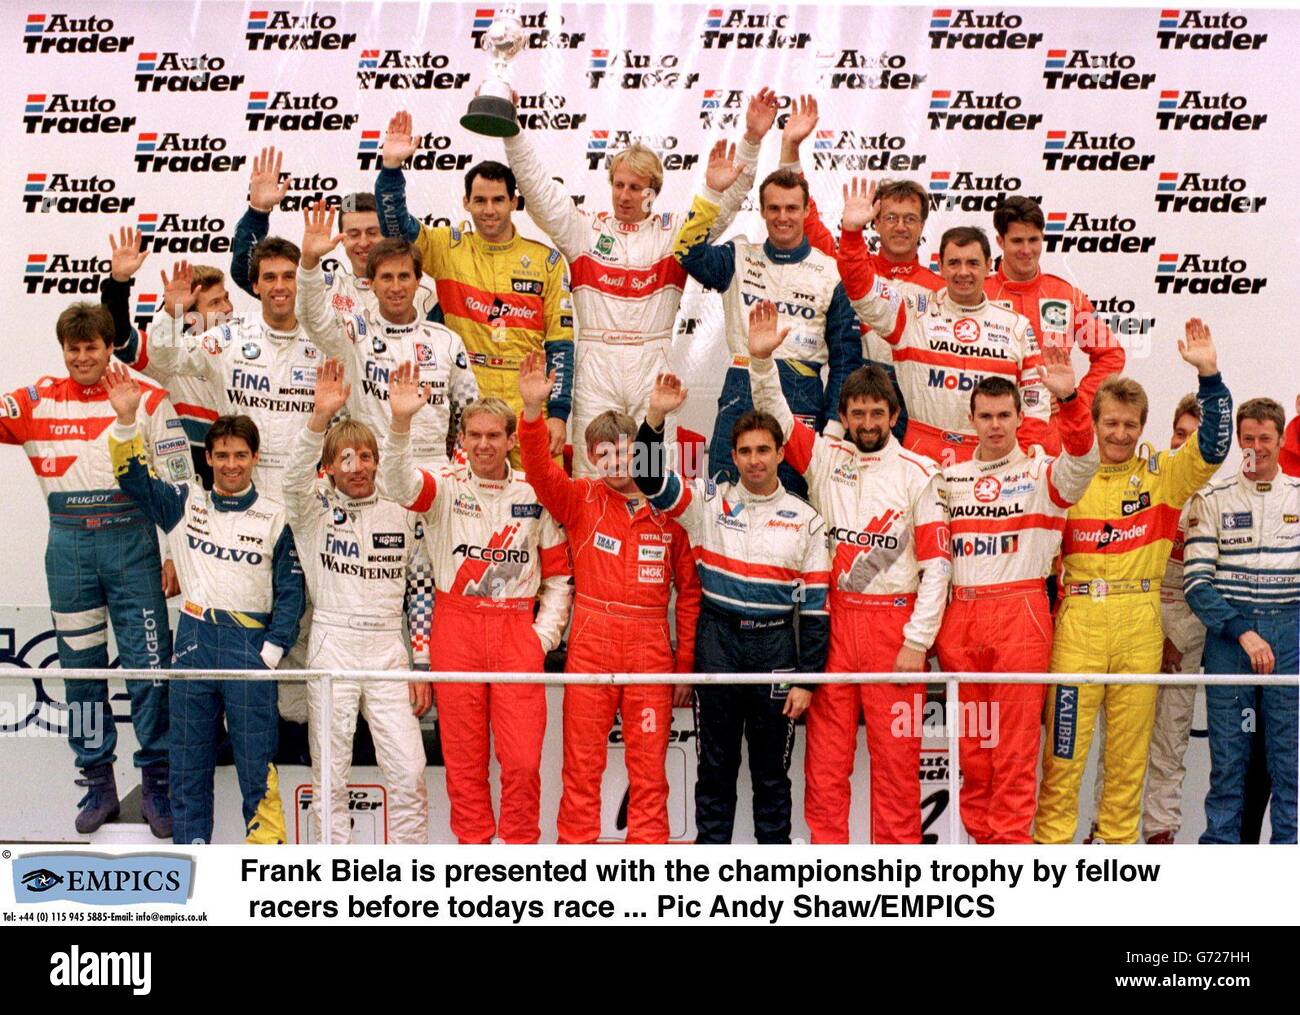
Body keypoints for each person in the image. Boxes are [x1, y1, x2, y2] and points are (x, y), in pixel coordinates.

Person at [746, 300, 950, 843]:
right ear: (846, 414)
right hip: (833, 625)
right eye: (856, 413)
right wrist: (762, 363)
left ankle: (899, 881)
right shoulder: (826, 457)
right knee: (826, 764)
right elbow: (779, 420)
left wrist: (916, 641)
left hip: (894, 629)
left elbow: (937, 568)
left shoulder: (919, 473)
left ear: (893, 414)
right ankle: (827, 875)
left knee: (897, 765)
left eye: (875, 413)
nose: (865, 423)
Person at [503, 89, 775, 477]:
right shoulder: (582, 229)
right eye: (619, 185)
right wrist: (511, 129)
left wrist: (750, 142)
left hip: (652, 360)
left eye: (635, 188)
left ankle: (651, 537)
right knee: (592, 471)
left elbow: (727, 201)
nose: (625, 195)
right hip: (598, 362)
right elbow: (536, 186)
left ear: (653, 192)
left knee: (651, 471)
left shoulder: (674, 234)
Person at [1034, 319, 1232, 845]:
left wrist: (1209, 376)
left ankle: (1113, 871)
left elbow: (1212, 448)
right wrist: (1070, 395)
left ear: (1142, 427)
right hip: (1078, 627)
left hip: (1141, 628)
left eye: (1130, 425)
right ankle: (1046, 870)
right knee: (1062, 761)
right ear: (1094, 423)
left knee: (1126, 766)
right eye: (1111, 424)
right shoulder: (1065, 474)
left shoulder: (1162, 474)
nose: (1120, 434)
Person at [0, 304, 192, 837]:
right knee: (82, 675)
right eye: (73, 348)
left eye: (92, 347)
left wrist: (176, 552)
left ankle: (156, 781)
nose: (83, 357)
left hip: (132, 544)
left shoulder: (148, 397)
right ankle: (98, 782)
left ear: (111, 347)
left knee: (149, 671)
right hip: (68, 549)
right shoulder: (36, 399)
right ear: (63, 351)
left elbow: (180, 484)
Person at [106, 368, 303, 845]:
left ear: (255, 458)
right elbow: (132, 478)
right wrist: (128, 420)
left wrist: (272, 652)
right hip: (194, 639)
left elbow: (292, 593)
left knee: (257, 762)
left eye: (239, 455)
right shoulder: (184, 503)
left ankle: (268, 867)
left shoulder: (275, 516)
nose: (230, 465)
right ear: (208, 458)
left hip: (249, 648)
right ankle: (193, 867)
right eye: (221, 456)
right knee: (188, 762)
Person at [632, 370, 828, 844]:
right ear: (733, 456)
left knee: (772, 779)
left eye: (764, 450)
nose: (755, 460)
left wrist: (807, 679)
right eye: (745, 451)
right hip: (718, 643)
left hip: (776, 651)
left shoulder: (808, 520)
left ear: (782, 454)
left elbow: (818, 613)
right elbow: (648, 477)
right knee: (714, 774)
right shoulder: (709, 504)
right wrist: (655, 417)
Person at [380, 363, 572, 844]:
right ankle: (473, 862)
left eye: (493, 436)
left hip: (515, 635)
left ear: (511, 440)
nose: (483, 445)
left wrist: (541, 638)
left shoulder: (535, 491)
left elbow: (560, 577)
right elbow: (399, 486)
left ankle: (520, 862)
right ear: (460, 440)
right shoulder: (445, 484)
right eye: (473, 436)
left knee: (524, 764)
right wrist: (400, 425)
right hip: (457, 629)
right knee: (464, 765)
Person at [518, 351, 699, 843]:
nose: (617, 462)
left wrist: (684, 665)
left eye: (626, 452)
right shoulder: (579, 499)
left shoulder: (669, 509)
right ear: (592, 457)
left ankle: (648, 881)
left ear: (641, 453)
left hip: (649, 649)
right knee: (581, 768)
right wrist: (534, 414)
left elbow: (689, 594)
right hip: (592, 642)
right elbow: (536, 468)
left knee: (649, 774)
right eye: (606, 454)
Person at [935, 348, 1098, 844]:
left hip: (1021, 615)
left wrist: (1070, 399)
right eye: (985, 416)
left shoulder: (1044, 473)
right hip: (959, 617)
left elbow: (1085, 459)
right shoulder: (947, 479)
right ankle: (982, 864)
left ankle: (1009, 862)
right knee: (973, 754)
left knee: (1014, 752)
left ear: (1020, 417)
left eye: (1004, 415)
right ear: (971, 419)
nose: (995, 425)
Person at [282, 358, 431, 845]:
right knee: (331, 777)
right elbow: (290, 482)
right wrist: (318, 419)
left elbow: (422, 585)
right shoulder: (312, 509)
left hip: (390, 651)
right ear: (328, 467)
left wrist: (422, 662)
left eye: (367, 457)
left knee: (409, 773)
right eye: (346, 458)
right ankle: (333, 892)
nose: (359, 466)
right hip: (332, 646)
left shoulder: (401, 507)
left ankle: (414, 892)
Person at [375, 115, 574, 464]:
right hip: (469, 402)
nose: (489, 210)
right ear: (465, 202)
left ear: (514, 202)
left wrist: (557, 412)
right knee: (467, 511)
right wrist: (391, 169)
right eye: (480, 200)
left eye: (498, 200)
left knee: (540, 509)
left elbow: (560, 345)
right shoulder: (448, 248)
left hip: (528, 404)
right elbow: (398, 230)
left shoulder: (547, 261)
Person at [672, 149, 861, 497]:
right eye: (773, 208)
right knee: (725, 499)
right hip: (742, 382)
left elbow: (846, 359)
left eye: (791, 208)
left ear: (806, 211)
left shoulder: (830, 271)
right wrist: (712, 194)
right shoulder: (739, 256)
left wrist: (834, 429)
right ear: (761, 211)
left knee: (796, 502)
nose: (782, 217)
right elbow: (686, 253)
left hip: (800, 392)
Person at [835, 179, 1055, 465]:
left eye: (973, 263)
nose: (963, 272)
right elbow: (861, 289)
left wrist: (1018, 456)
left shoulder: (1016, 326)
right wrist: (852, 234)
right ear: (940, 266)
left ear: (990, 266)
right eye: (954, 263)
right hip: (919, 455)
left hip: (991, 456)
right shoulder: (913, 310)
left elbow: (1035, 403)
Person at [777, 95, 941, 442]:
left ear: (923, 226)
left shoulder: (941, 287)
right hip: (858, 400)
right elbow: (805, 217)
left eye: (910, 219)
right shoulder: (849, 268)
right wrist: (790, 148)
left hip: (919, 401)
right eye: (891, 218)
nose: (900, 227)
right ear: (874, 222)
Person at [1185, 398, 1299, 844]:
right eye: (1247, 438)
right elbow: (1196, 582)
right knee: (1229, 764)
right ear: (1236, 440)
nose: (1256, 447)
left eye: (1265, 438)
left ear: (1282, 440)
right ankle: (1221, 878)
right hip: (1231, 638)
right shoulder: (1212, 498)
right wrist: (1242, 631)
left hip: (1290, 634)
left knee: (1288, 764)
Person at [231, 145, 436, 320]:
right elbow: (246, 274)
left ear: (388, 235)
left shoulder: (423, 294)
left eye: (372, 232)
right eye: (354, 234)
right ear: (341, 238)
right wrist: (257, 213)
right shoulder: (324, 289)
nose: (363, 242)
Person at [985, 196, 1126, 447]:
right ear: (1000, 241)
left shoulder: (1066, 295)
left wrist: (1073, 398)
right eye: (1017, 241)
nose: (1026, 250)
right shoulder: (980, 294)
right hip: (991, 432)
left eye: (1034, 240)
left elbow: (1111, 354)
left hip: (1050, 436)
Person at [100, 226, 230, 488]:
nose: (227, 308)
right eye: (215, 303)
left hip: (246, 478)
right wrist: (118, 282)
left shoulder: (246, 347)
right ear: (189, 315)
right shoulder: (172, 357)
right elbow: (121, 338)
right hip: (194, 487)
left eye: (226, 298)